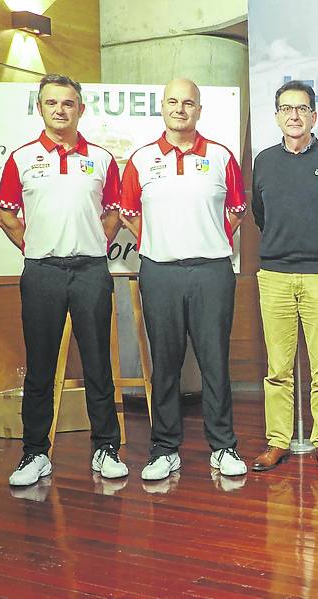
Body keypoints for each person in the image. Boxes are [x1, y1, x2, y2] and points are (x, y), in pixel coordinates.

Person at [0, 74, 127, 487]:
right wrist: (34, 246)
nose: (60, 109)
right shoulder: (21, 158)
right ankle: (35, 453)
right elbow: (4, 214)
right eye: (51, 103)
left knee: (97, 365)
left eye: (68, 103)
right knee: (40, 367)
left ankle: (106, 448)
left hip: (91, 271)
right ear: (41, 108)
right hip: (42, 273)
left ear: (80, 109)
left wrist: (94, 242)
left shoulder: (103, 159)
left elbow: (113, 213)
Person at [120, 78, 248, 481]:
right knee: (166, 364)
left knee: (214, 362)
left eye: (188, 102)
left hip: (212, 271)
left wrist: (208, 239)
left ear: (199, 110)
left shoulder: (221, 156)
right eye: (173, 102)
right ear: (162, 108)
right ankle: (164, 448)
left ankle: (223, 446)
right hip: (160, 272)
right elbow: (128, 212)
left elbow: (236, 211)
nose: (180, 108)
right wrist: (158, 242)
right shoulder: (140, 160)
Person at [250, 81, 318, 473]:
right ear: (277, 115)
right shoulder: (264, 161)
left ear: (314, 116)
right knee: (277, 369)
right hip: (276, 276)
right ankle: (278, 440)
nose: (294, 115)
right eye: (286, 108)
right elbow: (259, 213)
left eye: (301, 109)